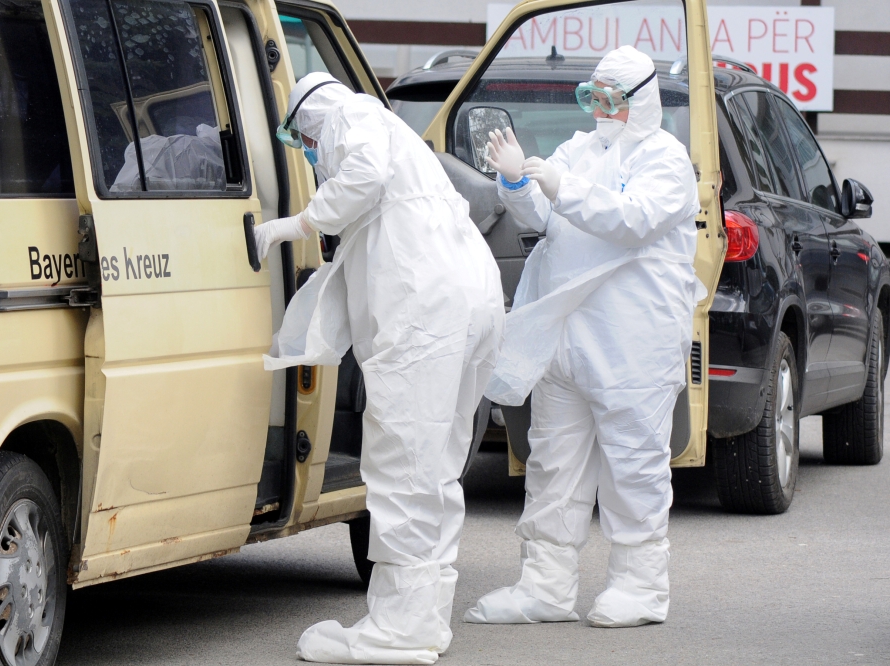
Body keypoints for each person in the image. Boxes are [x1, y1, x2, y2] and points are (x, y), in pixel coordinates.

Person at [256, 72, 504, 663]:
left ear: (308, 120)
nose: (309, 154)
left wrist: (303, 222)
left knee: (404, 464)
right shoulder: (401, 141)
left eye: (302, 142)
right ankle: (422, 616)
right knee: (436, 463)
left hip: (425, 315)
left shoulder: (350, 117)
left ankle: (400, 630)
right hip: (469, 299)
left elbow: (361, 176)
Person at [463, 45, 703, 628]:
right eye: (590, 96)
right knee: (552, 463)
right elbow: (541, 220)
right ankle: (544, 586)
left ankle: (640, 587)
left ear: (640, 100)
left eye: (610, 99)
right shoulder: (580, 148)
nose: (599, 108)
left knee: (634, 465)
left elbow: (631, 220)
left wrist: (559, 184)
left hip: (631, 345)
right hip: (566, 337)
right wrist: (518, 181)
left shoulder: (666, 159)